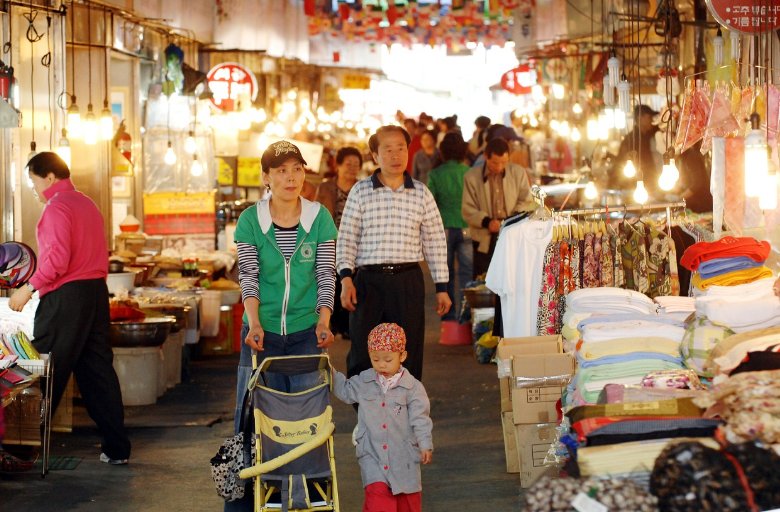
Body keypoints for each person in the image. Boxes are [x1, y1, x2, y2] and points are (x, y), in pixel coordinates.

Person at [8, 152, 131, 465]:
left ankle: (22, 448)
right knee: (98, 372)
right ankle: (117, 449)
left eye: (34, 181)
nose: (34, 189)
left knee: (43, 369)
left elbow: (57, 261)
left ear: (49, 177)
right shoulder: (87, 204)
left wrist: (27, 288)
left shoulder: (56, 206)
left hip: (66, 298)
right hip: (95, 295)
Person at [232, 139, 338, 423]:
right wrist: (255, 323)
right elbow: (249, 275)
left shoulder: (320, 218)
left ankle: (309, 457)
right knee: (259, 417)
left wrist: (324, 321)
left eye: (297, 168)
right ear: (266, 177)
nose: (291, 177)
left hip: (307, 332)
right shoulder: (250, 221)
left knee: (310, 416)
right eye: (281, 170)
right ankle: (258, 457)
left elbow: (326, 273)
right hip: (261, 333)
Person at [337, 125, 451, 383]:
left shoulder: (421, 193)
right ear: (375, 156)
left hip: (407, 281)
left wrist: (441, 286)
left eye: (401, 148)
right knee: (363, 351)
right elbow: (347, 238)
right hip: (368, 281)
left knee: (407, 350)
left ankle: (405, 404)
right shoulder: (360, 191)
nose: (396, 155)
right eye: (388, 149)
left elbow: (435, 240)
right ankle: (365, 405)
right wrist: (345, 278)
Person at [332, 323, 432, 512]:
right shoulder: (364, 381)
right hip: (372, 454)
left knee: (407, 504)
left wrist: (425, 444)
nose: (381, 365)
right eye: (375, 359)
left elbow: (421, 419)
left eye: (388, 359)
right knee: (378, 500)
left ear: (402, 356)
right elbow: (345, 391)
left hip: (403, 458)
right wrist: (327, 370)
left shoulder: (413, 388)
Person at [462, 138, 535, 279]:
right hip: (484, 238)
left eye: (504, 162)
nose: (499, 166)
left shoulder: (518, 172)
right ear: (486, 156)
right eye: (495, 162)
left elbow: (526, 201)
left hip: (513, 235)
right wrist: (488, 222)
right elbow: (468, 209)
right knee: (484, 280)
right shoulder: (471, 177)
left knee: (513, 278)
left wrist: (509, 221)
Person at [315, 146, 362, 338]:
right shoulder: (326, 187)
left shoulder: (362, 188)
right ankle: (332, 321)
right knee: (330, 281)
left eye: (356, 164)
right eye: (348, 164)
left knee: (351, 280)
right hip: (330, 241)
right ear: (338, 166)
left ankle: (347, 325)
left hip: (356, 244)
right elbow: (317, 214)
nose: (352, 168)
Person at [427, 132, 473, 324]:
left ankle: (448, 316)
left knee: (445, 275)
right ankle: (465, 316)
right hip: (467, 227)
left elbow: (430, 203)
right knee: (467, 275)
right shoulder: (469, 172)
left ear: (443, 152)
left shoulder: (435, 174)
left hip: (442, 229)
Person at [613, 104, 661, 197]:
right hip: (635, 187)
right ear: (640, 118)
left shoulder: (652, 133)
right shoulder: (629, 140)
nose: (652, 120)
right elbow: (620, 163)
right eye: (649, 117)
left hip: (652, 183)